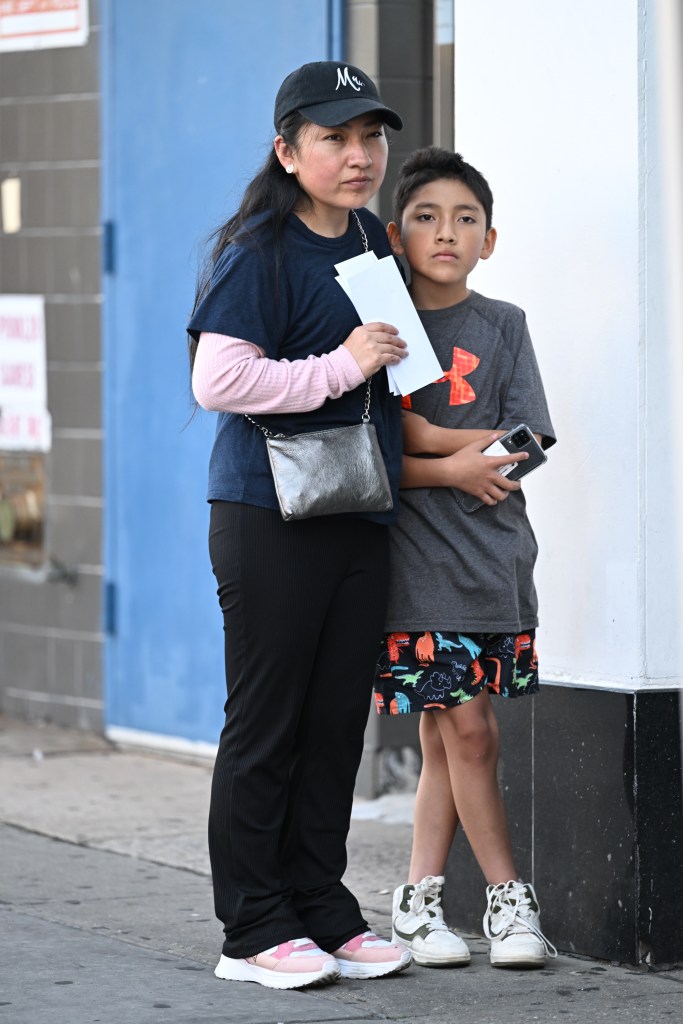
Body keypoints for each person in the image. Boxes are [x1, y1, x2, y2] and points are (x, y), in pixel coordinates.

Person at [186, 61, 415, 991]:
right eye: (334, 138)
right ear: (288, 150)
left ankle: (320, 903)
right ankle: (252, 927)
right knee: (268, 722)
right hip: (266, 513)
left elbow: (400, 370)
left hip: (357, 506)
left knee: (331, 725)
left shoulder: (368, 236)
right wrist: (339, 364)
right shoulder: (259, 250)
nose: (359, 156)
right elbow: (218, 382)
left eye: (370, 137)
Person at [374, 147, 558, 969]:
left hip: (493, 562)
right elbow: (388, 444)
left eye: (464, 219)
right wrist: (456, 462)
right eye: (425, 216)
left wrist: (470, 456)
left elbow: (532, 441)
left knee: (450, 740)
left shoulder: (503, 324)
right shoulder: (385, 324)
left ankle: (415, 901)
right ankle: (507, 903)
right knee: (470, 730)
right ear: (394, 233)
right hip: (413, 563)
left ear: (488, 239)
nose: (445, 232)